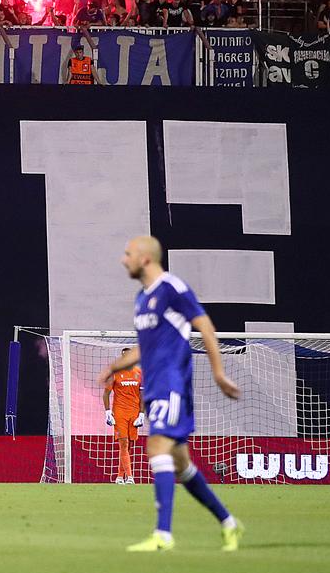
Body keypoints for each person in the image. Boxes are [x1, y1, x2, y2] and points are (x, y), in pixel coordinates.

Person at [100, 236, 243, 553]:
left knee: (157, 447)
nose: (124, 260)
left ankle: (163, 534)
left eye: (128, 254)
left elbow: (205, 327)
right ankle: (229, 522)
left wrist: (218, 373)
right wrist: (114, 367)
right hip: (153, 388)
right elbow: (144, 347)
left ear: (146, 259)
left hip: (173, 383)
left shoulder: (173, 288)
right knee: (181, 465)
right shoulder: (142, 298)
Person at [103, 347, 144, 484]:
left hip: (134, 413)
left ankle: (120, 476)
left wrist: (142, 414)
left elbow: (142, 395)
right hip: (120, 413)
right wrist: (108, 412)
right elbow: (106, 393)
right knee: (124, 443)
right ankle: (130, 477)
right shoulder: (114, 374)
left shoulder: (139, 373)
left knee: (129, 445)